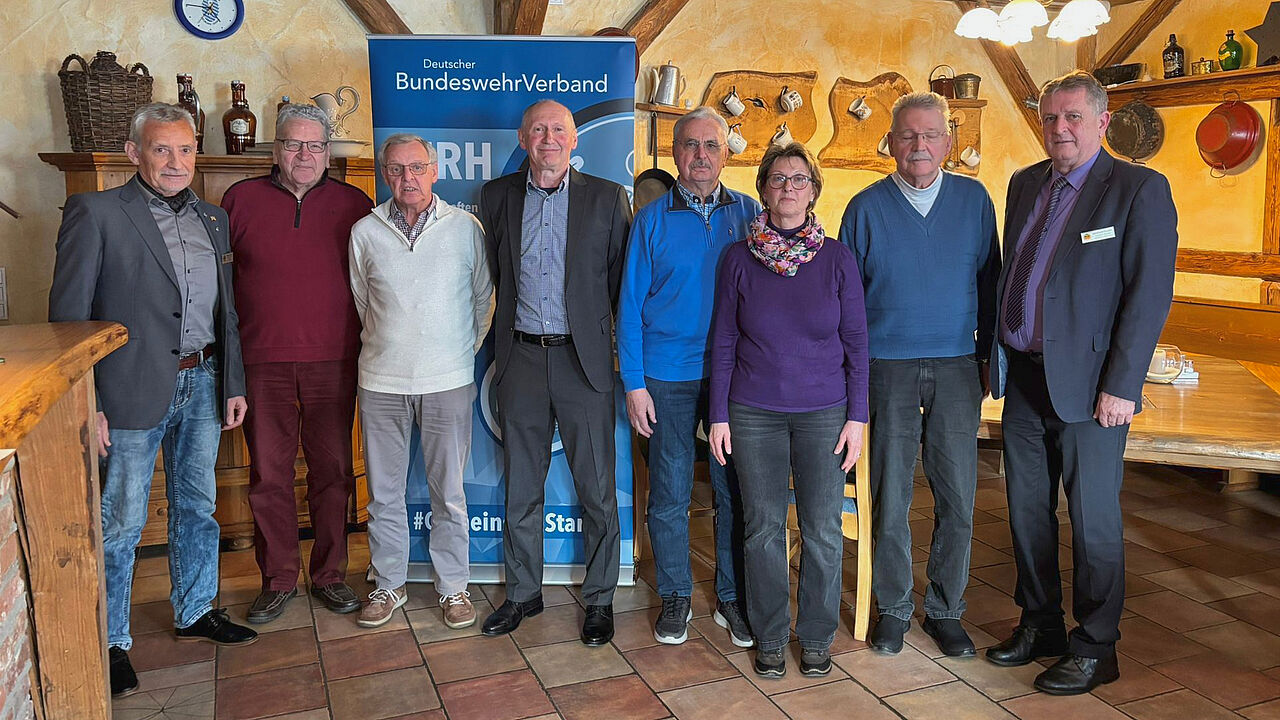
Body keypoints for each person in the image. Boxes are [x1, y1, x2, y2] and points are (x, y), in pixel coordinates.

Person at [49, 103, 257, 698]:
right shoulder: (96, 213)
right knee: (121, 522)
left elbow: (228, 313)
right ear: (134, 153)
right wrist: (84, 402)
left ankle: (196, 611)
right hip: (126, 391)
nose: (175, 162)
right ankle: (111, 641)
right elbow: (68, 320)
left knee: (198, 506)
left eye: (185, 149)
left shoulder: (213, 220)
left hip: (202, 384)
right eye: (161, 149)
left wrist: (232, 383)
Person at [984, 71, 1178, 695]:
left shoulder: (1138, 189)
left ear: (1101, 122)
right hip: (1024, 379)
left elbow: (1147, 297)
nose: (1059, 129)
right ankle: (1040, 625)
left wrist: (1122, 384)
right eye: (1050, 119)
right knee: (1026, 514)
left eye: (1072, 118)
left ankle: (1097, 646)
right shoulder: (1023, 185)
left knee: (1093, 520)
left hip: (1094, 390)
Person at [839, 92, 1001, 657]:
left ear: (949, 143)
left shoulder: (975, 201)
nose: (919, 145)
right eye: (908, 135)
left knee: (957, 496)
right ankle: (894, 609)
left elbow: (991, 286)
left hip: (957, 365)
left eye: (931, 135)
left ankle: (946, 610)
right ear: (890, 142)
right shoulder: (864, 208)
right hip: (887, 367)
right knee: (889, 494)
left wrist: (987, 362)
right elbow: (848, 305)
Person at [708, 142, 869, 678]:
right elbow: (724, 341)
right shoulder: (738, 259)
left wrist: (858, 416)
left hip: (826, 412)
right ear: (763, 191)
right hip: (752, 412)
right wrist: (718, 415)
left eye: (799, 179)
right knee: (762, 528)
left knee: (823, 528)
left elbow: (857, 345)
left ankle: (817, 635)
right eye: (778, 179)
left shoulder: (838, 258)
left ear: (814, 191)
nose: (789, 188)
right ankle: (772, 635)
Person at [478, 100, 631, 646]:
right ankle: (523, 594)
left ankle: (600, 598)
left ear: (573, 139)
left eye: (558, 129)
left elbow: (620, 288)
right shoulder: (496, 197)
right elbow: (491, 274)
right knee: (522, 486)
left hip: (583, 362)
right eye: (538, 129)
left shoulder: (608, 198)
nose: (548, 138)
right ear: (523, 137)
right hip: (519, 360)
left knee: (597, 489)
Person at [221, 103, 373, 623]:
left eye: (314, 145)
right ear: (275, 148)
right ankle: (279, 578)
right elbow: (224, 288)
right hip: (261, 362)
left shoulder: (357, 204)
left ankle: (330, 575)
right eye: (292, 143)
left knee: (333, 473)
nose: (303, 154)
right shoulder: (238, 201)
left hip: (335, 360)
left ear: (327, 151)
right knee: (269, 475)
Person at [617, 106, 759, 647]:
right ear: (674, 153)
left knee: (733, 491)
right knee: (670, 493)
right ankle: (676, 595)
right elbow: (628, 306)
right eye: (690, 145)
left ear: (726, 153)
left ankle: (729, 597)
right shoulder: (651, 220)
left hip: (734, 376)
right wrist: (634, 382)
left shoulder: (749, 214)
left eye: (711, 145)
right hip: (665, 376)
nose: (700, 155)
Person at [348, 134, 494, 629]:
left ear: (435, 170)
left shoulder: (465, 229)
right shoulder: (364, 232)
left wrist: (454, 355)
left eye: (416, 168)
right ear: (384, 175)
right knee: (384, 493)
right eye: (396, 170)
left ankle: (453, 588)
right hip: (381, 381)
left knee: (449, 492)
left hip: (448, 380)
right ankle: (387, 585)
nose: (407, 178)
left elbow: (482, 303)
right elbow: (363, 301)